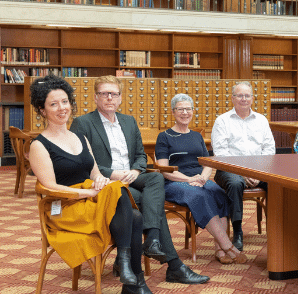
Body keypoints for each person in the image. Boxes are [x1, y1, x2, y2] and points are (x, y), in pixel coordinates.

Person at [70, 75, 209, 285]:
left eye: (114, 94)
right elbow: (83, 161)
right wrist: (112, 173)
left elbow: (141, 155)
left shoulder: (128, 121)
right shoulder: (83, 123)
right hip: (108, 183)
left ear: (120, 98)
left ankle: (152, 241)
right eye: (104, 93)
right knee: (147, 204)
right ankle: (173, 264)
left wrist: (136, 170)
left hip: (131, 176)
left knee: (155, 179)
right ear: (96, 97)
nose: (109, 98)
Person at [28, 75, 150, 294]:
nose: (61, 108)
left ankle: (130, 275)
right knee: (124, 200)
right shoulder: (39, 145)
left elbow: (94, 172)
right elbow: (49, 186)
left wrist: (100, 180)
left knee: (134, 213)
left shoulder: (79, 137)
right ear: (42, 110)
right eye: (53, 104)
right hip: (63, 209)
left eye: (65, 101)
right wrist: (86, 194)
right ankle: (133, 278)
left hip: (89, 201)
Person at [155, 93, 246, 264]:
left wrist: (203, 178)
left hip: (199, 179)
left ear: (193, 111)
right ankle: (228, 246)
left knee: (220, 193)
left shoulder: (197, 136)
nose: (185, 113)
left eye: (188, 109)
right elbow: (164, 169)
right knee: (199, 196)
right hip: (175, 182)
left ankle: (219, 250)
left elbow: (207, 163)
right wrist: (189, 180)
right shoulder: (164, 136)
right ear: (173, 112)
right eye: (180, 109)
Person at [212, 81, 274, 251]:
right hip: (229, 169)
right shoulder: (222, 121)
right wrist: (243, 172)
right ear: (232, 98)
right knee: (235, 183)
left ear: (252, 99)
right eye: (240, 95)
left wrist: (257, 172)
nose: (244, 99)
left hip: (258, 170)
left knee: (277, 184)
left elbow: (269, 149)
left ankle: (277, 228)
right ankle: (237, 230)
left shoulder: (261, 120)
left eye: (247, 95)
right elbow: (221, 153)